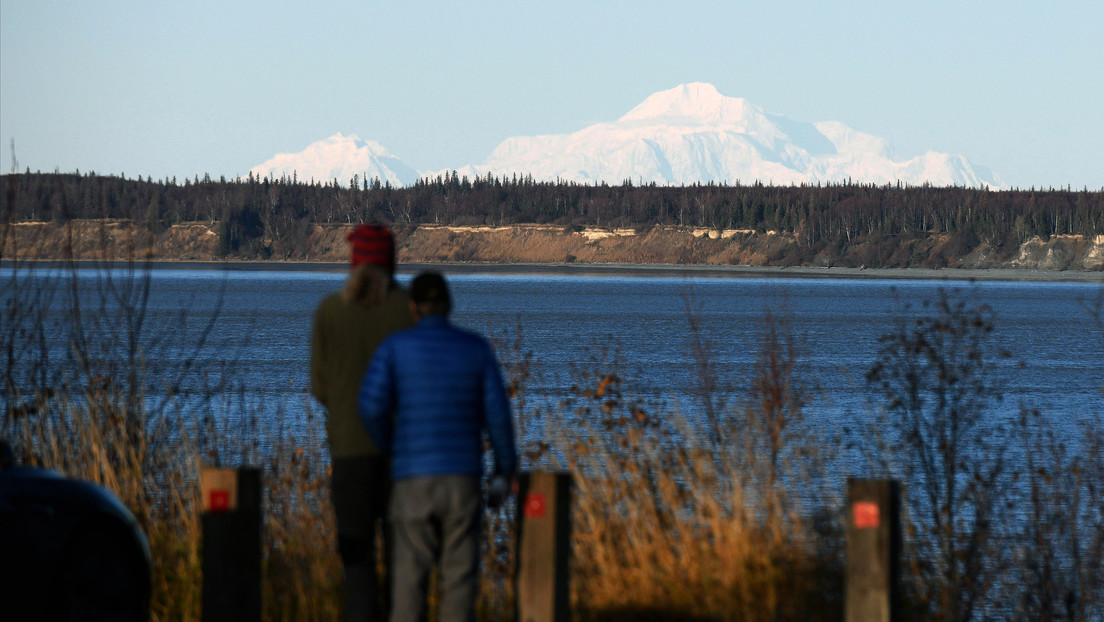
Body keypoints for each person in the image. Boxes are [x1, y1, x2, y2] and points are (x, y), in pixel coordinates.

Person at [359, 271, 517, 622]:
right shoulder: (475, 349)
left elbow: (370, 406)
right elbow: (499, 417)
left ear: (414, 308)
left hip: (411, 479)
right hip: (462, 479)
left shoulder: (394, 349)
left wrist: (391, 448)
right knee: (459, 583)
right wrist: (506, 469)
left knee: (408, 584)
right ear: (448, 306)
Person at [310, 223, 415, 622]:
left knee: (356, 562)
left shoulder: (330, 312)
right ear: (391, 262)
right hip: (401, 459)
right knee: (403, 562)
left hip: (349, 453)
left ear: (354, 265)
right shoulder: (409, 310)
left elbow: (320, 387)